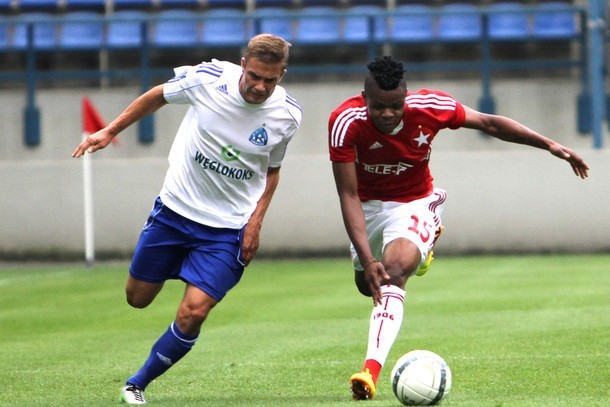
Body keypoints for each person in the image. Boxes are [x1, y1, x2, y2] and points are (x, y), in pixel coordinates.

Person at [328, 56, 589, 401]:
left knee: (392, 274)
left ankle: (369, 372)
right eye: (379, 107)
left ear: (405, 97)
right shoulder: (345, 121)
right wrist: (364, 254)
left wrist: (550, 145)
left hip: (414, 203)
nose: (388, 114)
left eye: (395, 106)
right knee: (366, 285)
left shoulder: (431, 106)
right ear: (365, 97)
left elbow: (490, 123)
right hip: (367, 208)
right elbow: (347, 194)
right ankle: (420, 256)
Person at [72, 34, 301, 405]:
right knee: (137, 298)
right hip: (175, 212)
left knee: (193, 312)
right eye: (255, 76)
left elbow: (272, 171)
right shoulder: (208, 80)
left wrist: (255, 222)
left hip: (228, 229)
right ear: (243, 65)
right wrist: (110, 130)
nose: (260, 86)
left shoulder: (288, 115)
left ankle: (136, 384)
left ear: (282, 75)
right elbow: (158, 96)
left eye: (270, 80)